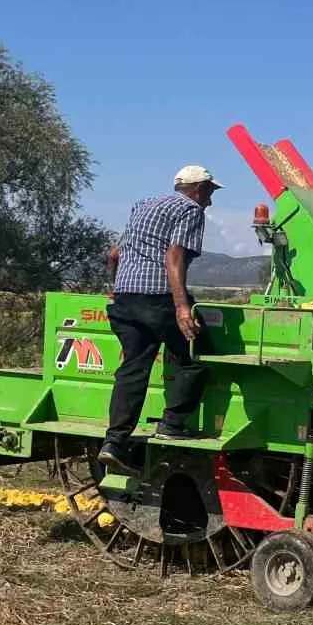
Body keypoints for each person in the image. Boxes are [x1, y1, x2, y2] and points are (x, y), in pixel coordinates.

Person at [98, 164, 220, 473]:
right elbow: (174, 256)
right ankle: (173, 423)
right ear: (199, 189)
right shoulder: (191, 210)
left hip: (126, 297)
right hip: (159, 297)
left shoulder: (144, 205)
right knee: (198, 356)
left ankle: (114, 443)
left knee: (133, 368)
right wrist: (181, 307)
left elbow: (115, 254)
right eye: (210, 192)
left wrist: (116, 289)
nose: (210, 200)